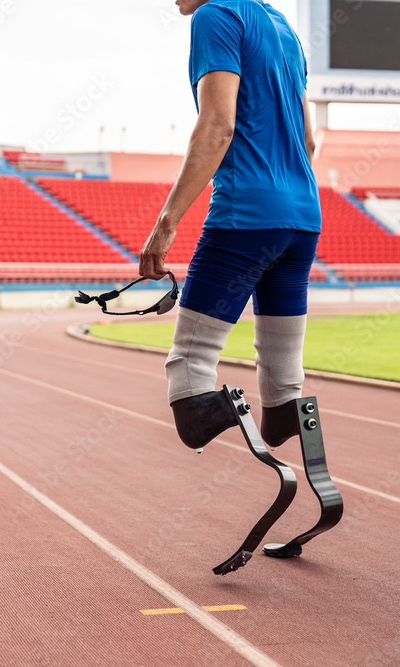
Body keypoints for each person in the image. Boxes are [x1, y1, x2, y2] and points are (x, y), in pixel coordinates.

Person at [139, 0, 321, 450]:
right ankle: (286, 411)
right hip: (302, 217)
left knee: (190, 370)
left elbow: (218, 125)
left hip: (246, 217)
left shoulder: (215, 15)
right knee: (283, 383)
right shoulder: (283, 27)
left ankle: (224, 406)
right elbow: (310, 140)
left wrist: (166, 222)